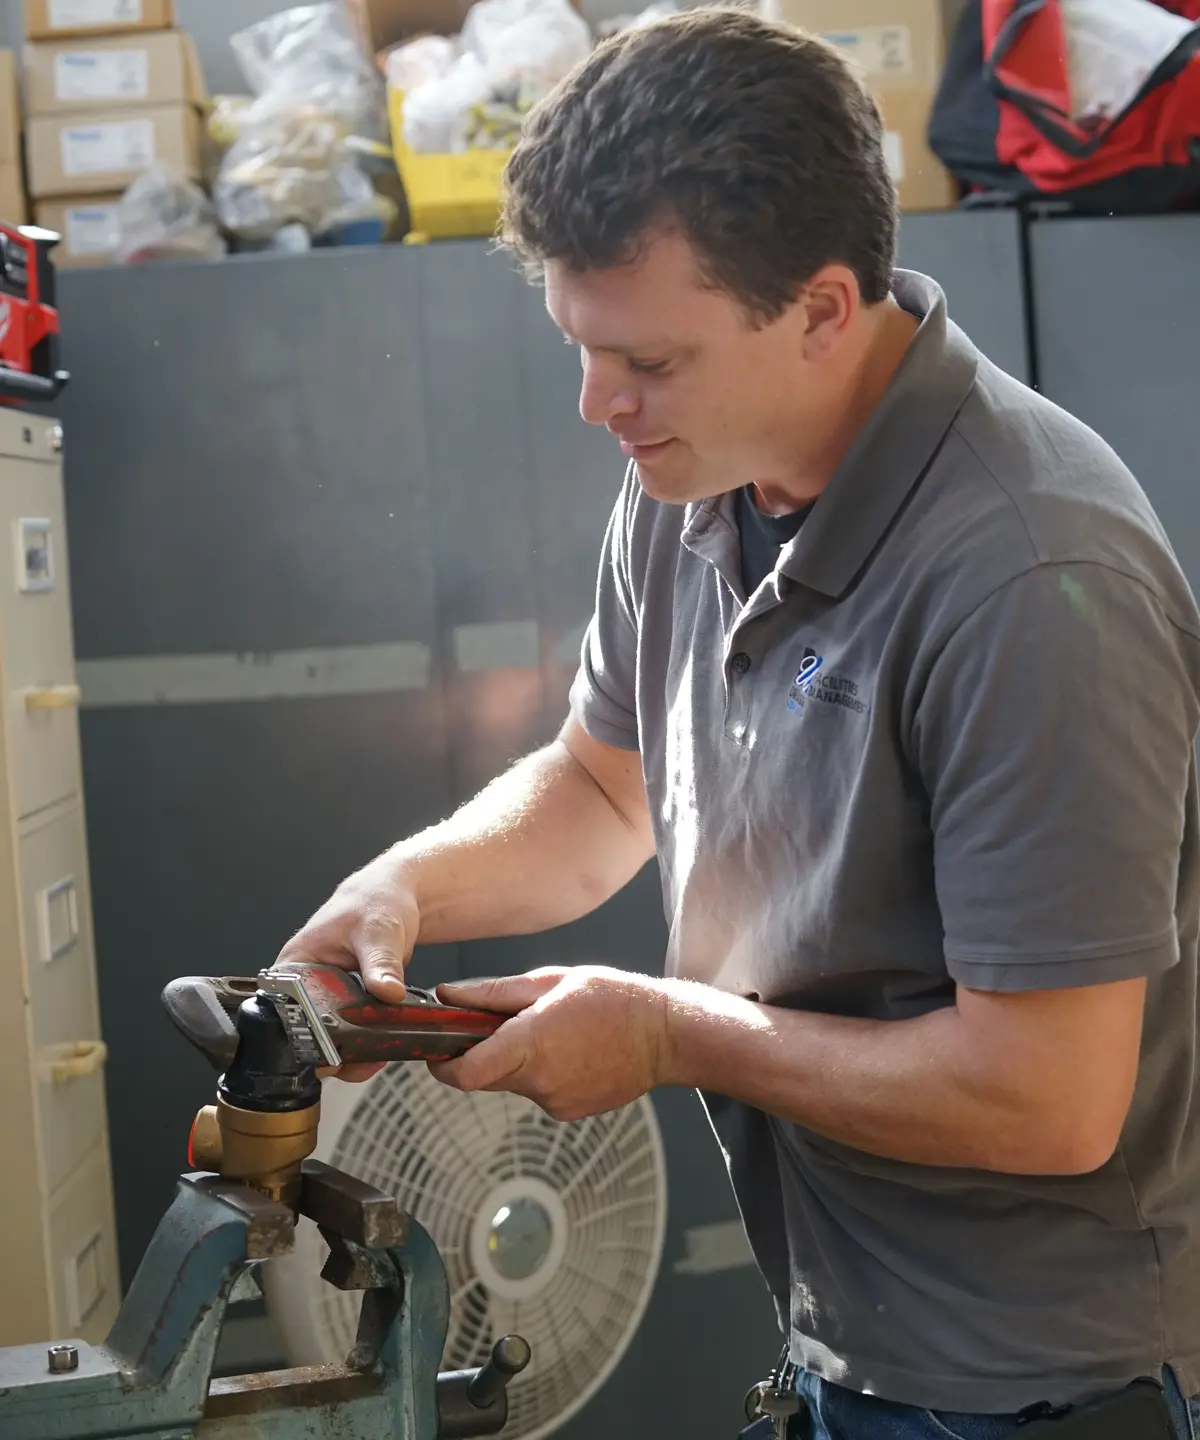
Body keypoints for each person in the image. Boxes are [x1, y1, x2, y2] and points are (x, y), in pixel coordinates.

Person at [277, 10, 1200, 1438]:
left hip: (1051, 1386)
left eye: (645, 358)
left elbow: (1049, 1098)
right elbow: (601, 787)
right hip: (848, 1333)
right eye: (581, 348)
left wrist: (669, 1036)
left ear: (826, 308)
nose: (598, 406)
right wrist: (401, 889)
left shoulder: (1030, 573)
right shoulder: (694, 473)